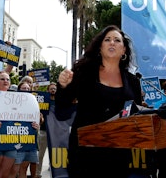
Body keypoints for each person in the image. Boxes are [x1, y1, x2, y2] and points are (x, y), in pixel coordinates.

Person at [56, 25, 147, 178]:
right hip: (85, 154)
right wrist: (63, 86)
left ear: (124, 50)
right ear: (100, 47)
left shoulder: (133, 82)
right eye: (107, 40)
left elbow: (134, 118)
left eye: (117, 40)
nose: (112, 43)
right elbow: (62, 109)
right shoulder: (83, 73)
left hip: (118, 155)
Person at [9, 81, 40, 178]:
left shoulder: (34, 104)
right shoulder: (13, 104)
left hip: (30, 141)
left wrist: (38, 125)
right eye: (23, 88)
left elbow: (39, 119)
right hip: (17, 141)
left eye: (28, 89)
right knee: (14, 169)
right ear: (19, 90)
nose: (26, 90)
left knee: (24, 168)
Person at [36, 82, 56, 178]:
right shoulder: (43, 101)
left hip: (55, 132)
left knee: (55, 154)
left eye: (54, 89)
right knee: (40, 154)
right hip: (44, 131)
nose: (53, 90)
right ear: (47, 90)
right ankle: (37, 173)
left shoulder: (60, 101)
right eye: (51, 88)